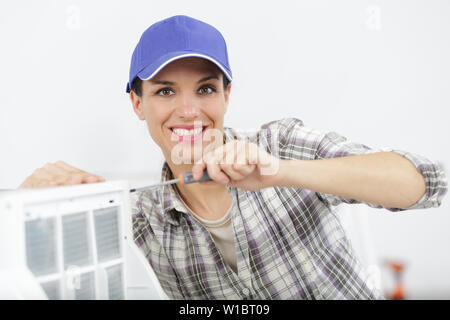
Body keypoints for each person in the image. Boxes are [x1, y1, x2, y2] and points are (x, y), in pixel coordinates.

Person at [19, 15, 448, 300]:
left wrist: (283, 172)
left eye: (205, 89)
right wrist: (27, 206)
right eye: (165, 91)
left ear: (226, 95)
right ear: (137, 104)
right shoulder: (139, 219)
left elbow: (427, 183)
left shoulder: (281, 144)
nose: (189, 111)